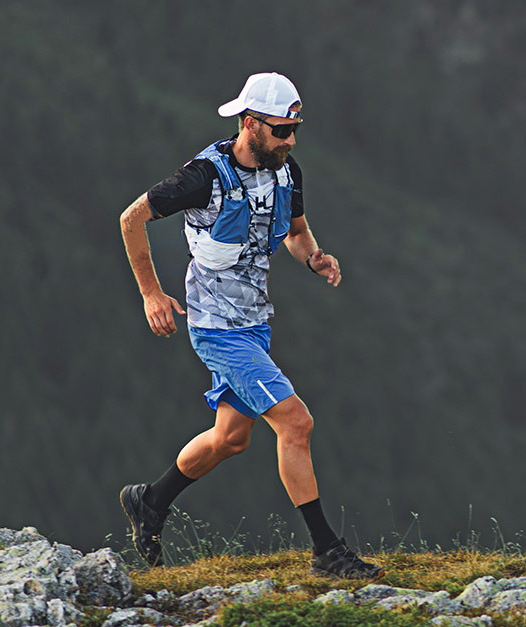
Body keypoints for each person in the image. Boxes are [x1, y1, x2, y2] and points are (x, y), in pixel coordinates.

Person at [117, 72, 382, 580]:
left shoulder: (286, 170)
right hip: (217, 329)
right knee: (295, 422)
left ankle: (149, 500)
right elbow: (131, 219)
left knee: (231, 439)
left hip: (256, 323)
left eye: (294, 130)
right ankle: (326, 551)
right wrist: (151, 293)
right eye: (282, 131)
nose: (291, 140)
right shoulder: (203, 176)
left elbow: (297, 233)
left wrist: (315, 259)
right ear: (249, 124)